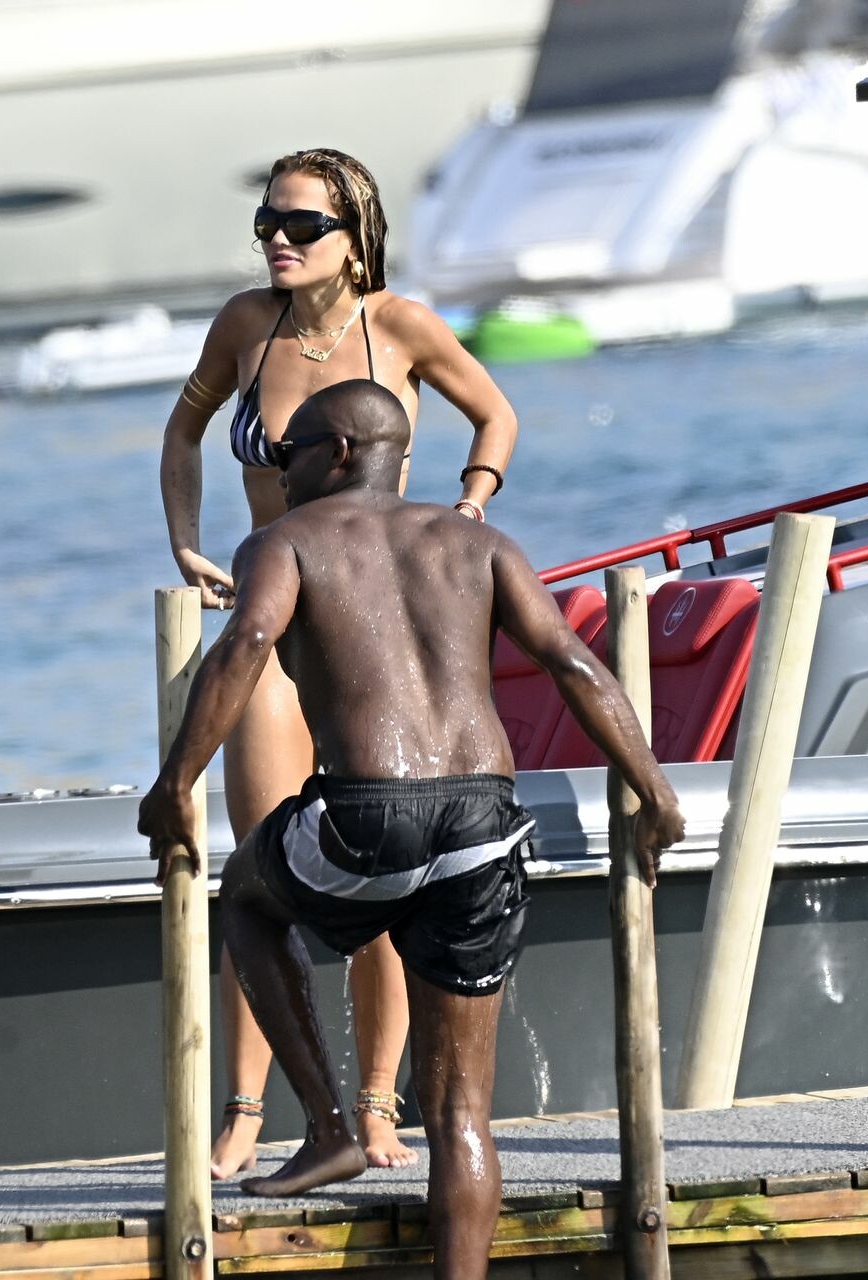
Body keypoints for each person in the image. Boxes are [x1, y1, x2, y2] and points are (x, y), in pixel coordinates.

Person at [138, 381, 683, 1280]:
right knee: (462, 1112)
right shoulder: (481, 544)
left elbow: (245, 645)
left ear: (342, 451)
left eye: (289, 453)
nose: (277, 473)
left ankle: (327, 1127)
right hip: (483, 825)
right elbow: (571, 661)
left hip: (368, 814)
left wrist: (175, 784)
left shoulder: (285, 541)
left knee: (246, 896)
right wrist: (653, 789)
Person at [160, 148, 518, 1176]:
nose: (278, 239)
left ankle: (373, 1108)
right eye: (267, 223)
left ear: (354, 239)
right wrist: (186, 541)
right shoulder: (245, 325)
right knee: (258, 868)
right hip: (274, 627)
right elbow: (183, 432)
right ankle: (246, 1110)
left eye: (302, 225)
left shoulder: (399, 325)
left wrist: (469, 506)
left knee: (382, 872)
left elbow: (495, 412)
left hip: (371, 636)